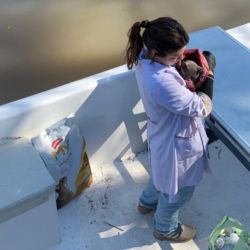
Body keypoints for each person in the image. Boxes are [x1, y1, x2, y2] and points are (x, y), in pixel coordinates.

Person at [126, 17, 216, 242]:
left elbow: (174, 76)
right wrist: (209, 75)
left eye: (182, 54)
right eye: (176, 57)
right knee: (179, 190)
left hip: (161, 134)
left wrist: (181, 64)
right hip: (178, 144)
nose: (180, 60)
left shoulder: (144, 56)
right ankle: (165, 227)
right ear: (156, 53)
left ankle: (146, 203)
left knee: (161, 174)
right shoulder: (161, 83)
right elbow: (201, 107)